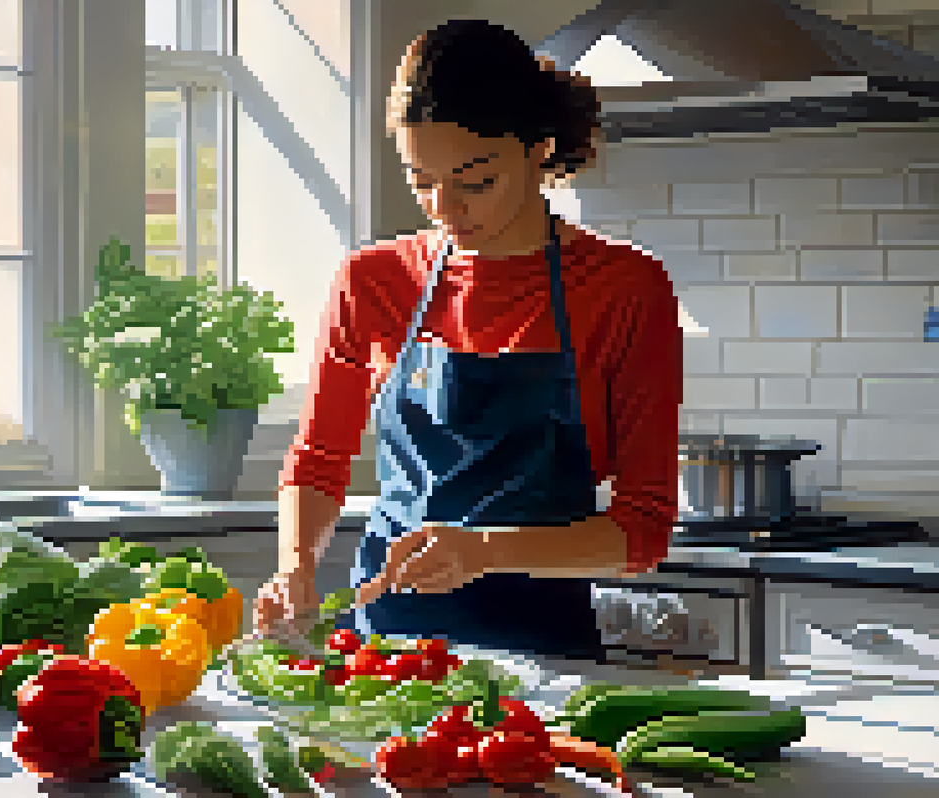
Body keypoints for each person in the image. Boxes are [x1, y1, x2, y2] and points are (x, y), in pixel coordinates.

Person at [251, 19, 683, 660]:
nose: (445, 207)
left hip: (546, 658)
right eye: (420, 180)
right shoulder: (372, 282)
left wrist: (485, 551)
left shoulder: (623, 287)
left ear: (538, 148)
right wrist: (295, 568)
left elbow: (641, 533)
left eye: (475, 181)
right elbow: (318, 462)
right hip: (384, 652)